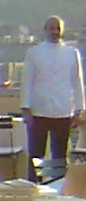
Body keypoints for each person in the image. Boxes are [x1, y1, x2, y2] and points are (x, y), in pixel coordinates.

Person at [21, 15, 84, 183]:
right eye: (51, 28)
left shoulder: (72, 53)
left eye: (57, 28)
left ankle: (58, 190)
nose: (54, 32)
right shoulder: (34, 53)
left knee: (60, 157)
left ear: (62, 31)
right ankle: (33, 188)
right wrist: (25, 109)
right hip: (38, 111)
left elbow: (77, 82)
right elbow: (27, 81)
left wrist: (79, 109)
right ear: (45, 30)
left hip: (63, 110)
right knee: (35, 155)